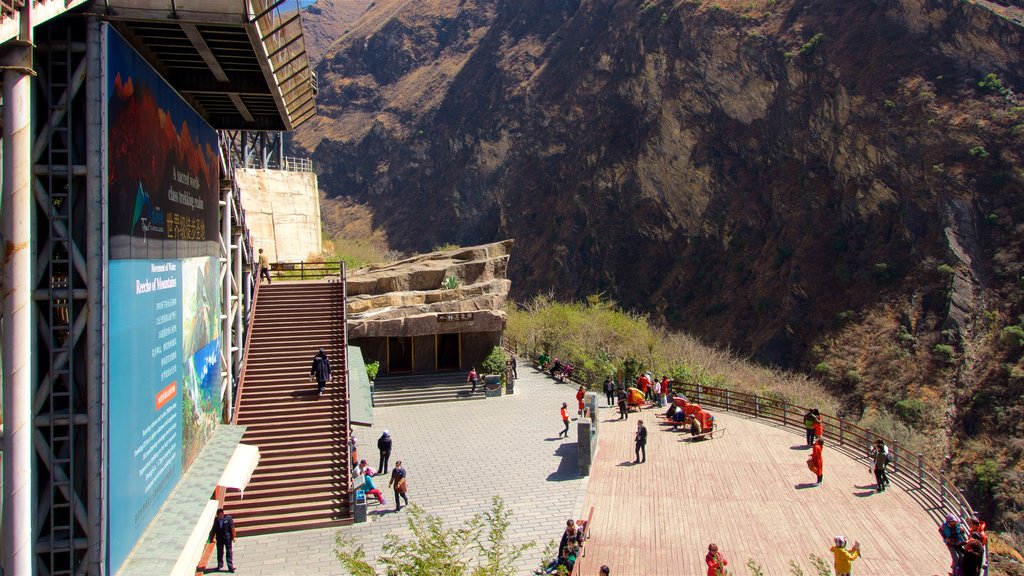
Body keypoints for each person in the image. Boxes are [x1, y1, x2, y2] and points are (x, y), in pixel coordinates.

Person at [209, 507, 236, 573]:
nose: (221, 516)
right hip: (219, 539)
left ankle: (230, 567)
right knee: (220, 552)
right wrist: (212, 538)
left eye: (222, 514)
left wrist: (234, 536)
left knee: (229, 552)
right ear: (217, 515)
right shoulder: (216, 520)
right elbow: (214, 529)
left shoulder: (228, 518)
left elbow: (232, 527)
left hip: (227, 538)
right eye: (219, 515)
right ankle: (220, 565)